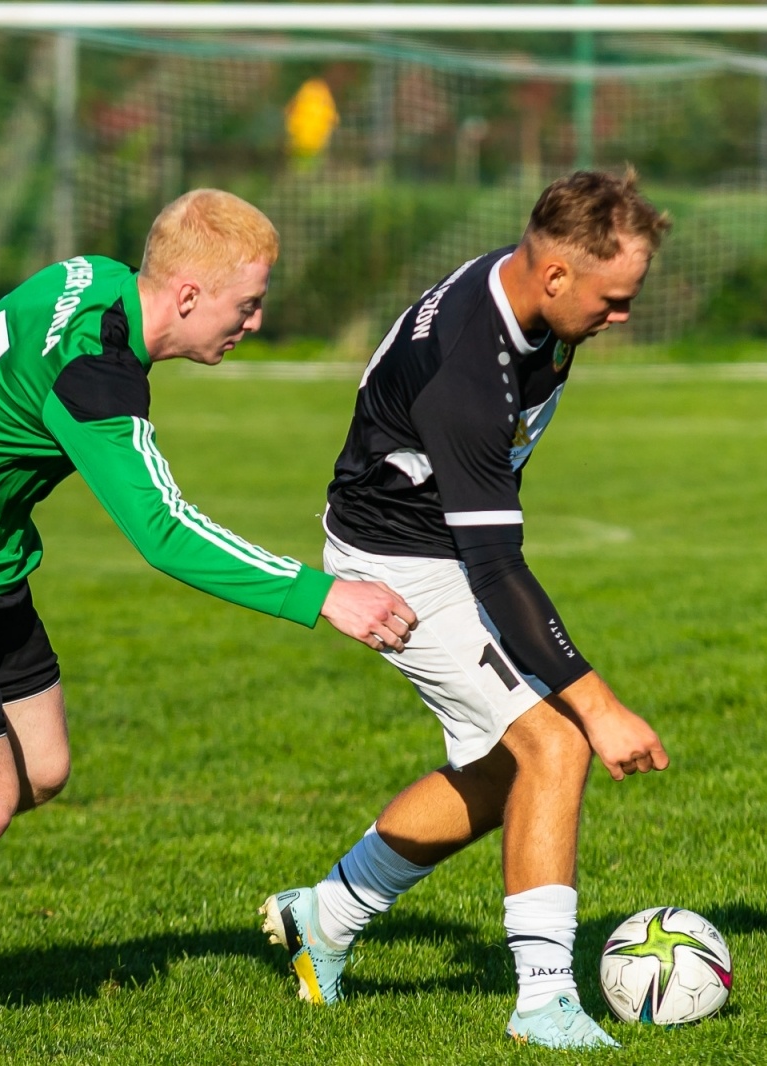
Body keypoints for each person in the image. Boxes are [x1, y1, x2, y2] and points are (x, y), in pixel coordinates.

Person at [0, 190, 418, 1040]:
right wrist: (323, 596)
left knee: (41, 767)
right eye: (246, 304)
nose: (254, 321)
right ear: (187, 296)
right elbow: (164, 531)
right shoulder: (96, 372)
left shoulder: (92, 276)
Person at [258, 169, 671, 1050]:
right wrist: (601, 705)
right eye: (613, 299)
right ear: (555, 275)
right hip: (401, 564)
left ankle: (324, 916)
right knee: (557, 743)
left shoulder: (534, 297)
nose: (623, 315)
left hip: (436, 543)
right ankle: (544, 1004)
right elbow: (494, 566)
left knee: (502, 769)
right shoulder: (468, 373)